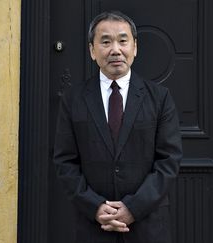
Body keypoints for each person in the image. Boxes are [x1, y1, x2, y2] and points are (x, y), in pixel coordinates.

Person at [53, 10, 183, 243]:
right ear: (92, 50)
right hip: (92, 227)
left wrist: (133, 208)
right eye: (105, 41)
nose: (115, 49)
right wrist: (95, 207)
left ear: (135, 47)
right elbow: (65, 161)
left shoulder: (160, 97)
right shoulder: (73, 99)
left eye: (123, 41)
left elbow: (169, 160)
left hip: (148, 226)